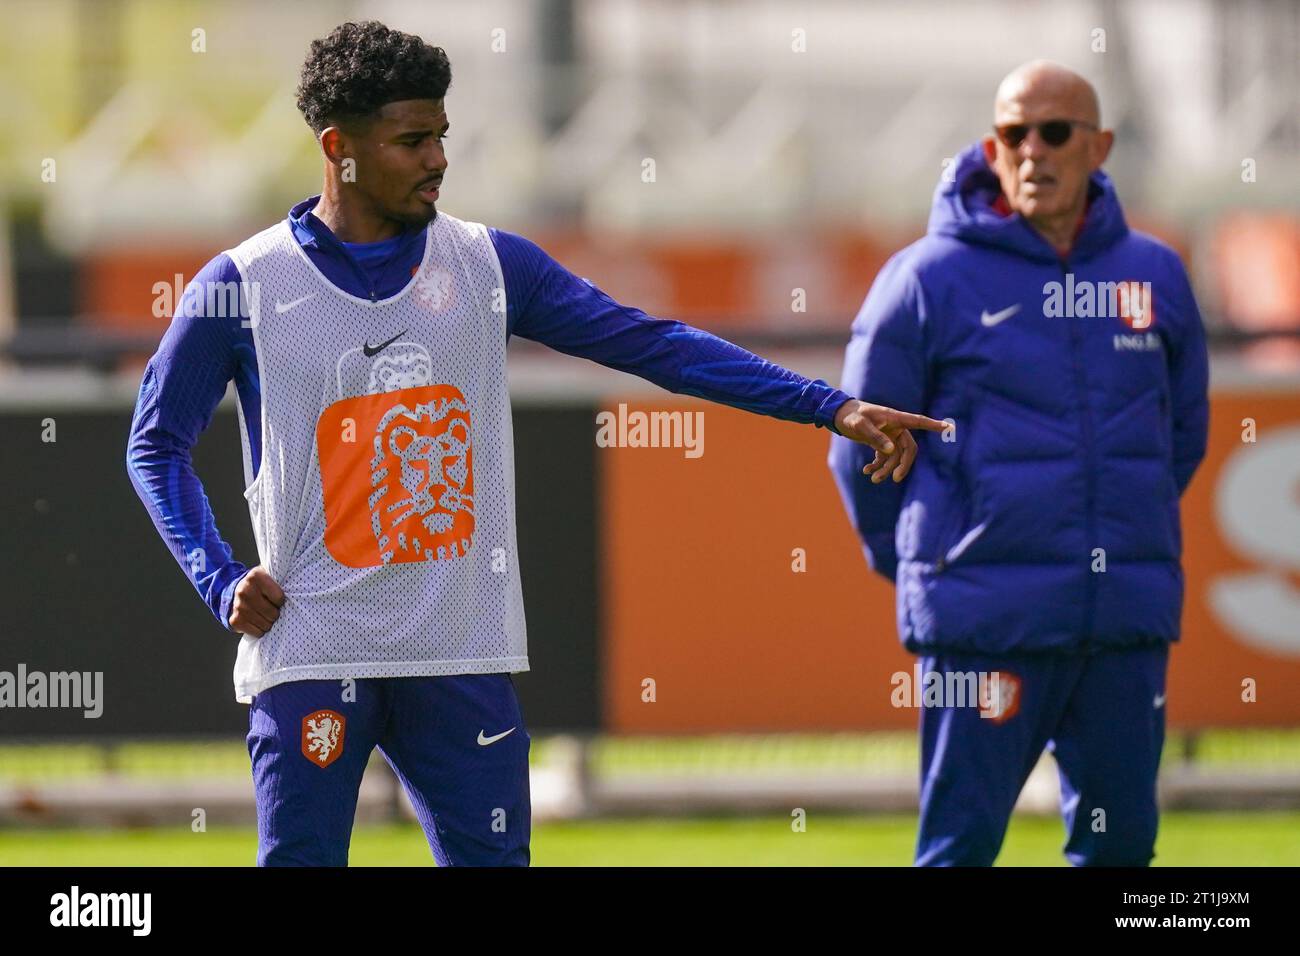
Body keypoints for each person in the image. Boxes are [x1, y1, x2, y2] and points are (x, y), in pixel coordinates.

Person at [126, 20, 944, 867]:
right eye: (413, 140)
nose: (439, 157)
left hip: (459, 648)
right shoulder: (244, 285)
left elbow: (654, 343)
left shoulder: (489, 265)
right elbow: (155, 445)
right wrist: (218, 577)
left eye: (442, 134)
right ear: (340, 148)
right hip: (309, 649)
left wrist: (827, 406)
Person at [828, 60, 1209, 866]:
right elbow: (855, 452)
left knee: (1123, 850)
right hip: (981, 629)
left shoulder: (1156, 273)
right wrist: (924, 567)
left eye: (1055, 131)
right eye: (1013, 133)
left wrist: (1112, 537)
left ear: (1099, 146)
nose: (1032, 149)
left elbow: (1181, 438)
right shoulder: (924, 280)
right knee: (959, 850)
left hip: (1121, 626)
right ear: (992, 146)